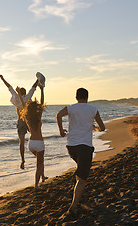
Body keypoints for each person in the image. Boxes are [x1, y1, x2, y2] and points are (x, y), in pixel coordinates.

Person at [56, 88, 105, 218]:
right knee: (82, 178)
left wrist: (61, 131)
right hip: (85, 147)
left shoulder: (71, 107)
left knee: (81, 173)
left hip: (71, 147)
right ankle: (73, 207)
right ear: (87, 97)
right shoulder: (93, 109)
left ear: (76, 97)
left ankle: (79, 197)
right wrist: (95, 127)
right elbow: (103, 127)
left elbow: (58, 115)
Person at [0, 75, 38, 169]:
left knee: (21, 142)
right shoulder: (28, 97)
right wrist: (38, 79)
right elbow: (33, 87)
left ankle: (22, 159)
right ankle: (37, 153)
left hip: (20, 120)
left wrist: (2, 79)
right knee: (35, 136)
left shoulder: (16, 97)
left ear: (19, 92)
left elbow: (9, 87)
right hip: (28, 119)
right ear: (25, 92)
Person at [16, 84, 48, 189]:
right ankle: (36, 184)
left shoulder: (27, 117)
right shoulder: (38, 116)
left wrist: (19, 95)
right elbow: (42, 102)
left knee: (40, 161)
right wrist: (42, 90)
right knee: (39, 164)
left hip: (31, 144)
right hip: (39, 143)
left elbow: (22, 104)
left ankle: (43, 177)